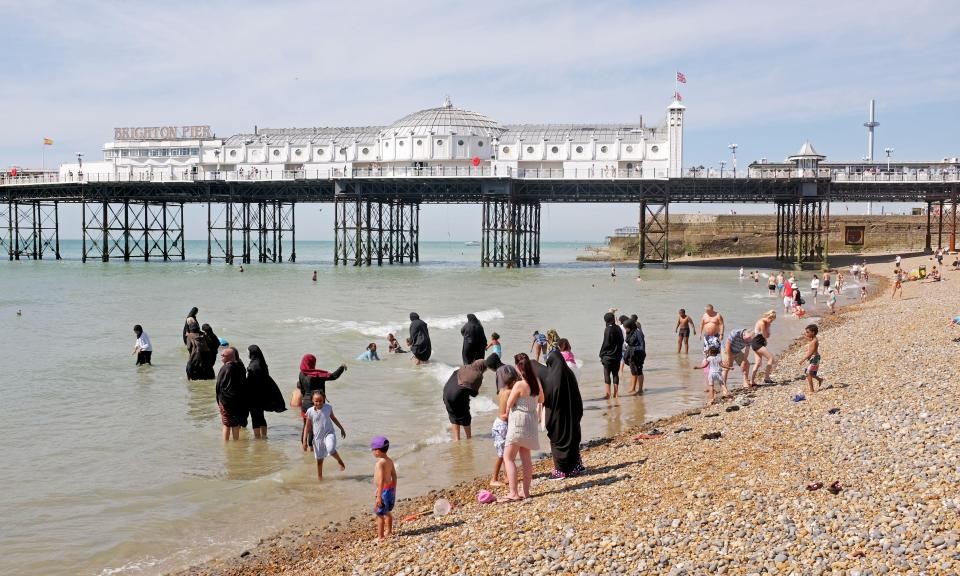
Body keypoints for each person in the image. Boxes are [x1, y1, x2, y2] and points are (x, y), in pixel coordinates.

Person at [501, 353, 543, 500]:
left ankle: (513, 492)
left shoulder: (519, 384)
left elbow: (509, 403)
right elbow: (542, 399)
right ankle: (525, 492)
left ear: (519, 367)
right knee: (526, 459)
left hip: (518, 421)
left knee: (508, 457)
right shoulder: (536, 382)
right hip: (531, 421)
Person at [541, 349, 585, 478]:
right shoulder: (569, 373)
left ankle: (562, 471)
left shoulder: (551, 378)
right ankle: (576, 466)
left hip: (559, 418)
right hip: (572, 416)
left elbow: (547, 399)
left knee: (559, 442)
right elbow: (577, 396)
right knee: (573, 440)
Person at [297, 354, 347, 444]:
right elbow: (333, 376)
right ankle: (311, 448)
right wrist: (342, 367)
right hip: (315, 403)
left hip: (304, 403)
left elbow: (302, 389)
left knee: (305, 425)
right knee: (313, 427)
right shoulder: (317, 375)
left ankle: (304, 446)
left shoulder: (301, 374)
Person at [485, 354, 518, 487]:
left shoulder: (503, 389)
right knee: (502, 454)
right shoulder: (508, 368)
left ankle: (506, 475)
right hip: (501, 424)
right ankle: (494, 479)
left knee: (505, 452)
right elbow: (505, 413)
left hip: (500, 424)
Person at [302, 391, 346, 479]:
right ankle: (320, 478)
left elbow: (333, 418)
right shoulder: (310, 411)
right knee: (319, 460)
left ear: (324, 399)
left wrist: (341, 428)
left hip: (329, 433)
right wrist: (304, 440)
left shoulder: (328, 408)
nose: (318, 403)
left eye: (320, 401)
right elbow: (307, 426)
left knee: (330, 448)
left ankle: (339, 461)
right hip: (318, 438)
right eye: (316, 401)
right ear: (312, 401)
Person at [246, 345, 286, 439]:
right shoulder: (262, 363)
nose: (247, 353)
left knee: (255, 417)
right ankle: (264, 436)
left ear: (252, 353)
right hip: (263, 394)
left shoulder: (253, 365)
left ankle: (257, 439)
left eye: (248, 351)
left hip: (254, 395)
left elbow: (251, 381)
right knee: (261, 416)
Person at [442, 359, 487, 440]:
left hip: (446, 393)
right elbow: (474, 394)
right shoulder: (478, 375)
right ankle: (468, 438)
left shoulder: (463, 367)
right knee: (465, 416)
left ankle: (456, 440)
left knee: (454, 417)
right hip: (457, 396)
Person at [215, 347, 248, 441]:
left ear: (229, 357)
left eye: (223, 355)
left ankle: (226, 446)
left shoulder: (225, 368)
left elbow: (219, 386)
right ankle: (236, 445)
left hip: (226, 401)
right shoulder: (240, 366)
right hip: (238, 400)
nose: (221, 357)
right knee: (235, 423)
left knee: (226, 424)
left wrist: (220, 401)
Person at [371, 436, 397, 539]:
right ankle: (389, 531)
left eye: (373, 449)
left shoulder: (380, 463)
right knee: (387, 512)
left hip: (383, 492)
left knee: (380, 514)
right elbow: (394, 475)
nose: (372, 452)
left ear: (377, 451)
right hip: (390, 489)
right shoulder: (389, 460)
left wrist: (378, 495)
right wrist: (393, 488)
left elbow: (381, 480)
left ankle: (380, 536)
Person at [599, 312, 624, 399]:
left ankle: (608, 394)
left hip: (608, 357)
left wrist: (601, 354)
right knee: (615, 374)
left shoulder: (607, 330)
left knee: (607, 374)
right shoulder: (618, 328)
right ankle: (616, 394)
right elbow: (622, 341)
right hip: (617, 356)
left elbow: (606, 344)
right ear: (613, 319)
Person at [750, 311, 777, 386]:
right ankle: (767, 378)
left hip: (758, 342)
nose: (771, 321)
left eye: (772, 320)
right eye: (771, 319)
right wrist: (767, 333)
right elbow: (765, 335)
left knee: (758, 363)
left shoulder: (765, 322)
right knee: (771, 358)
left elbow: (765, 336)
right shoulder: (762, 323)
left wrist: (765, 339)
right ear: (768, 317)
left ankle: (751, 381)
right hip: (757, 343)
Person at [623, 318, 646, 394]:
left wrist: (634, 349)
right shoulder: (629, 333)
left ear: (631, 326)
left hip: (638, 355)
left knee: (639, 371)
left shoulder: (638, 333)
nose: (625, 329)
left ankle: (640, 389)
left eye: (626, 328)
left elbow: (642, 346)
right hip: (631, 355)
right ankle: (633, 388)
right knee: (633, 372)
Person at [800, 324, 823, 393]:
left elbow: (811, 352)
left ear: (813, 333)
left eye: (807, 332)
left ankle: (812, 390)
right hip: (813, 358)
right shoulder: (813, 339)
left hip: (815, 358)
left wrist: (803, 359)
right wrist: (804, 335)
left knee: (808, 373)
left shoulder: (815, 341)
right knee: (809, 373)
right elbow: (808, 339)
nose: (806, 333)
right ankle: (819, 379)